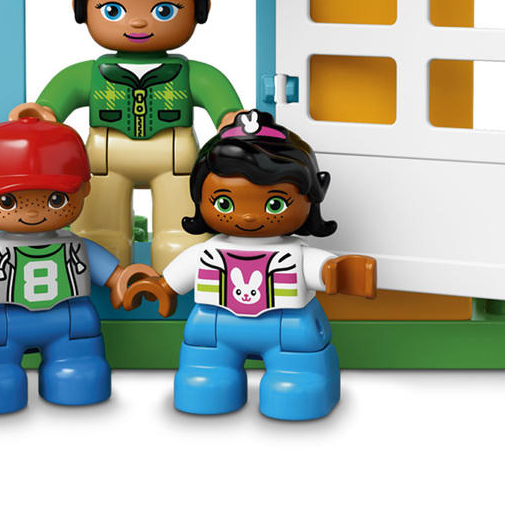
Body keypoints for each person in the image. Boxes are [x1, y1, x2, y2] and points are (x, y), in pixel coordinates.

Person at [12, 0, 241, 271]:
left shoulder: (197, 74)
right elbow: (48, 108)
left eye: (164, 10)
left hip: (175, 157)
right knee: (99, 231)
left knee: (182, 232)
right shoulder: (85, 74)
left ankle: (178, 276)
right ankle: (106, 274)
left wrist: (231, 120)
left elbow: (227, 109)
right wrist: (41, 114)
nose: (137, 21)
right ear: (80, 8)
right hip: (105, 157)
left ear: (201, 8)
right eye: (113, 9)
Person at [122, 111, 377, 421]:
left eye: (274, 204)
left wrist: (337, 273)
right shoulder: (208, 251)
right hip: (215, 326)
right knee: (205, 373)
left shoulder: (294, 254)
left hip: (287, 328)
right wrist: (163, 287)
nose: (248, 216)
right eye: (224, 203)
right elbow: (183, 272)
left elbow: (321, 269)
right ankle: (209, 375)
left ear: (312, 197)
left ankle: (300, 379)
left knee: (297, 378)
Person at [0, 116, 156, 414]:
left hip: (68, 322)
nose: (33, 213)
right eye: (8, 201)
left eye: (56, 199)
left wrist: (121, 280)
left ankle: (74, 367)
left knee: (80, 369)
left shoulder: (75, 245)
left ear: (85, 190)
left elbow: (108, 271)